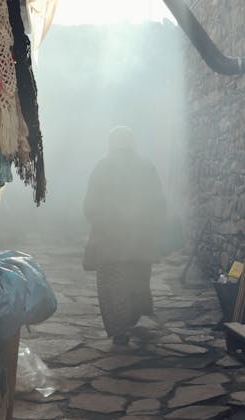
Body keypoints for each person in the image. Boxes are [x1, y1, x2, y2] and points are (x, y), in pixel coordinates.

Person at [83, 126, 167, 345]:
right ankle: (137, 324)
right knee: (138, 285)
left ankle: (119, 332)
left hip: (111, 245)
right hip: (141, 244)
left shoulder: (103, 167)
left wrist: (101, 223)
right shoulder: (146, 167)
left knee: (113, 291)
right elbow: (158, 202)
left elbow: (90, 205)